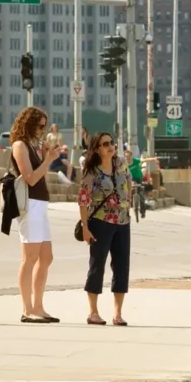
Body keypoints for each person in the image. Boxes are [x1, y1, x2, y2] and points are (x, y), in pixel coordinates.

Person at [10, 106, 61, 324]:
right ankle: (27, 308)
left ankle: (38, 306)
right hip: (29, 204)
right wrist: (48, 161)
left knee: (46, 257)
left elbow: (39, 175)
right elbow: (30, 178)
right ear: (29, 124)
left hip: (40, 203)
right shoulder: (19, 145)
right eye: (40, 126)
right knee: (29, 257)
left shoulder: (34, 145)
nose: (43, 130)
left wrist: (46, 156)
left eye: (45, 126)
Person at [77, 132, 133, 325]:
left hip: (123, 222)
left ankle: (117, 314)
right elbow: (83, 200)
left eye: (112, 143)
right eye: (105, 144)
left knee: (121, 266)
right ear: (97, 149)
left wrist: (127, 204)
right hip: (100, 222)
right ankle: (93, 312)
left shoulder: (121, 164)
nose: (111, 147)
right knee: (97, 265)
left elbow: (128, 183)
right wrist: (85, 227)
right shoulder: (91, 170)